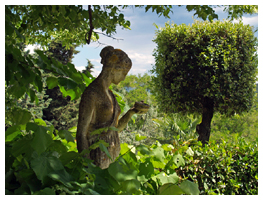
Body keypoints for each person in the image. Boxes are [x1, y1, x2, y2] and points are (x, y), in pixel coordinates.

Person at [76, 46, 149, 169]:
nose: (124, 78)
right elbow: (81, 134)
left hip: (111, 154)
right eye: (124, 73)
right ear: (114, 69)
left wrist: (131, 113)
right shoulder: (92, 93)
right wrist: (88, 167)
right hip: (97, 155)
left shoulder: (110, 95)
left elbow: (115, 129)